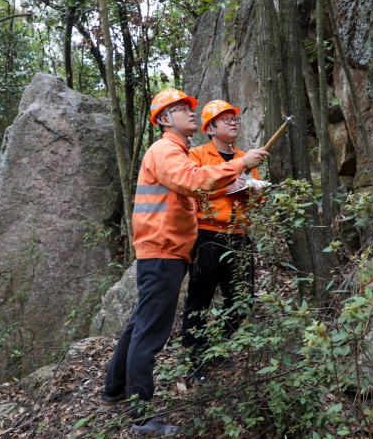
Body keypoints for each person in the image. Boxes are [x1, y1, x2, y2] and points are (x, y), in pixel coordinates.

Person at [100, 89, 268, 436]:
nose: (192, 113)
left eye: (191, 108)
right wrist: (239, 164)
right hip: (163, 251)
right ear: (164, 119)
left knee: (138, 325)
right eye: (181, 109)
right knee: (150, 332)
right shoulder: (165, 150)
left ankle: (114, 390)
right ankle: (141, 419)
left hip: (166, 251)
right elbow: (193, 182)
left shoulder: (175, 151)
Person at [180, 100, 265, 384]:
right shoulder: (197, 154)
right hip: (206, 235)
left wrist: (254, 192)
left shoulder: (246, 157)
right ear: (210, 128)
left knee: (243, 299)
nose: (233, 121)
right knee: (200, 299)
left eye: (234, 117)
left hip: (240, 235)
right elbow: (192, 190)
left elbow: (256, 202)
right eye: (224, 118)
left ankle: (216, 347)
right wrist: (227, 189)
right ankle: (194, 358)